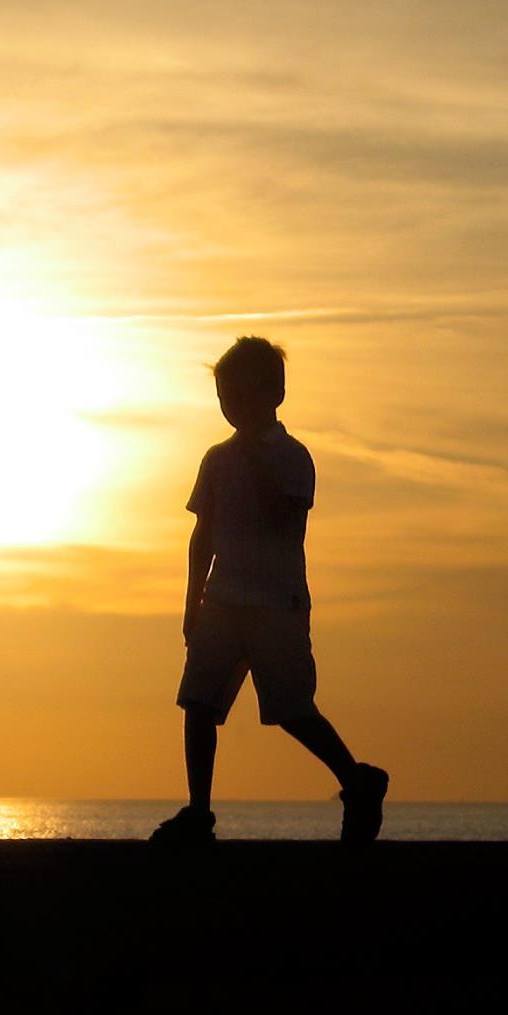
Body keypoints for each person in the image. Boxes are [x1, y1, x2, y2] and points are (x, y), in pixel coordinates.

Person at [152, 337, 388, 845]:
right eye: (225, 397)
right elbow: (203, 535)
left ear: (274, 395)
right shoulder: (215, 459)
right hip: (222, 601)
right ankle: (199, 812)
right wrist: (192, 602)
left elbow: (284, 516)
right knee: (198, 704)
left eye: (242, 395)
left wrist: (256, 457)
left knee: (292, 710)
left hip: (277, 604)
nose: (232, 407)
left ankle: (357, 782)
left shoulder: (293, 456)